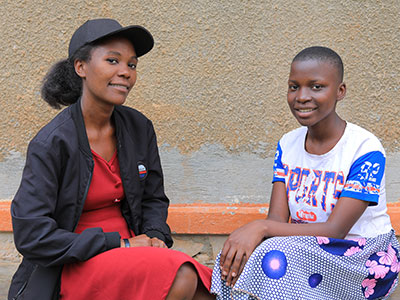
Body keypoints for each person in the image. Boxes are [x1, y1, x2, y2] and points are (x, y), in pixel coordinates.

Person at [9, 18, 215, 300]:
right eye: (112, 61)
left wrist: (155, 237)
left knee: (211, 289)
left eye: (131, 65)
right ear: (81, 67)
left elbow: (153, 199)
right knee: (181, 276)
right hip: (76, 262)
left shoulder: (139, 128)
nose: (125, 72)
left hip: (134, 251)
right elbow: (32, 235)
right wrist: (119, 244)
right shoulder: (52, 143)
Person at [210, 46, 400, 299]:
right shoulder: (287, 144)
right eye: (293, 86)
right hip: (306, 247)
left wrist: (259, 227)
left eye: (316, 87)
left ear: (340, 91)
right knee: (236, 256)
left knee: (273, 256)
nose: (302, 96)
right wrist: (257, 233)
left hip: (362, 256)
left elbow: (336, 231)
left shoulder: (364, 148)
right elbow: (276, 221)